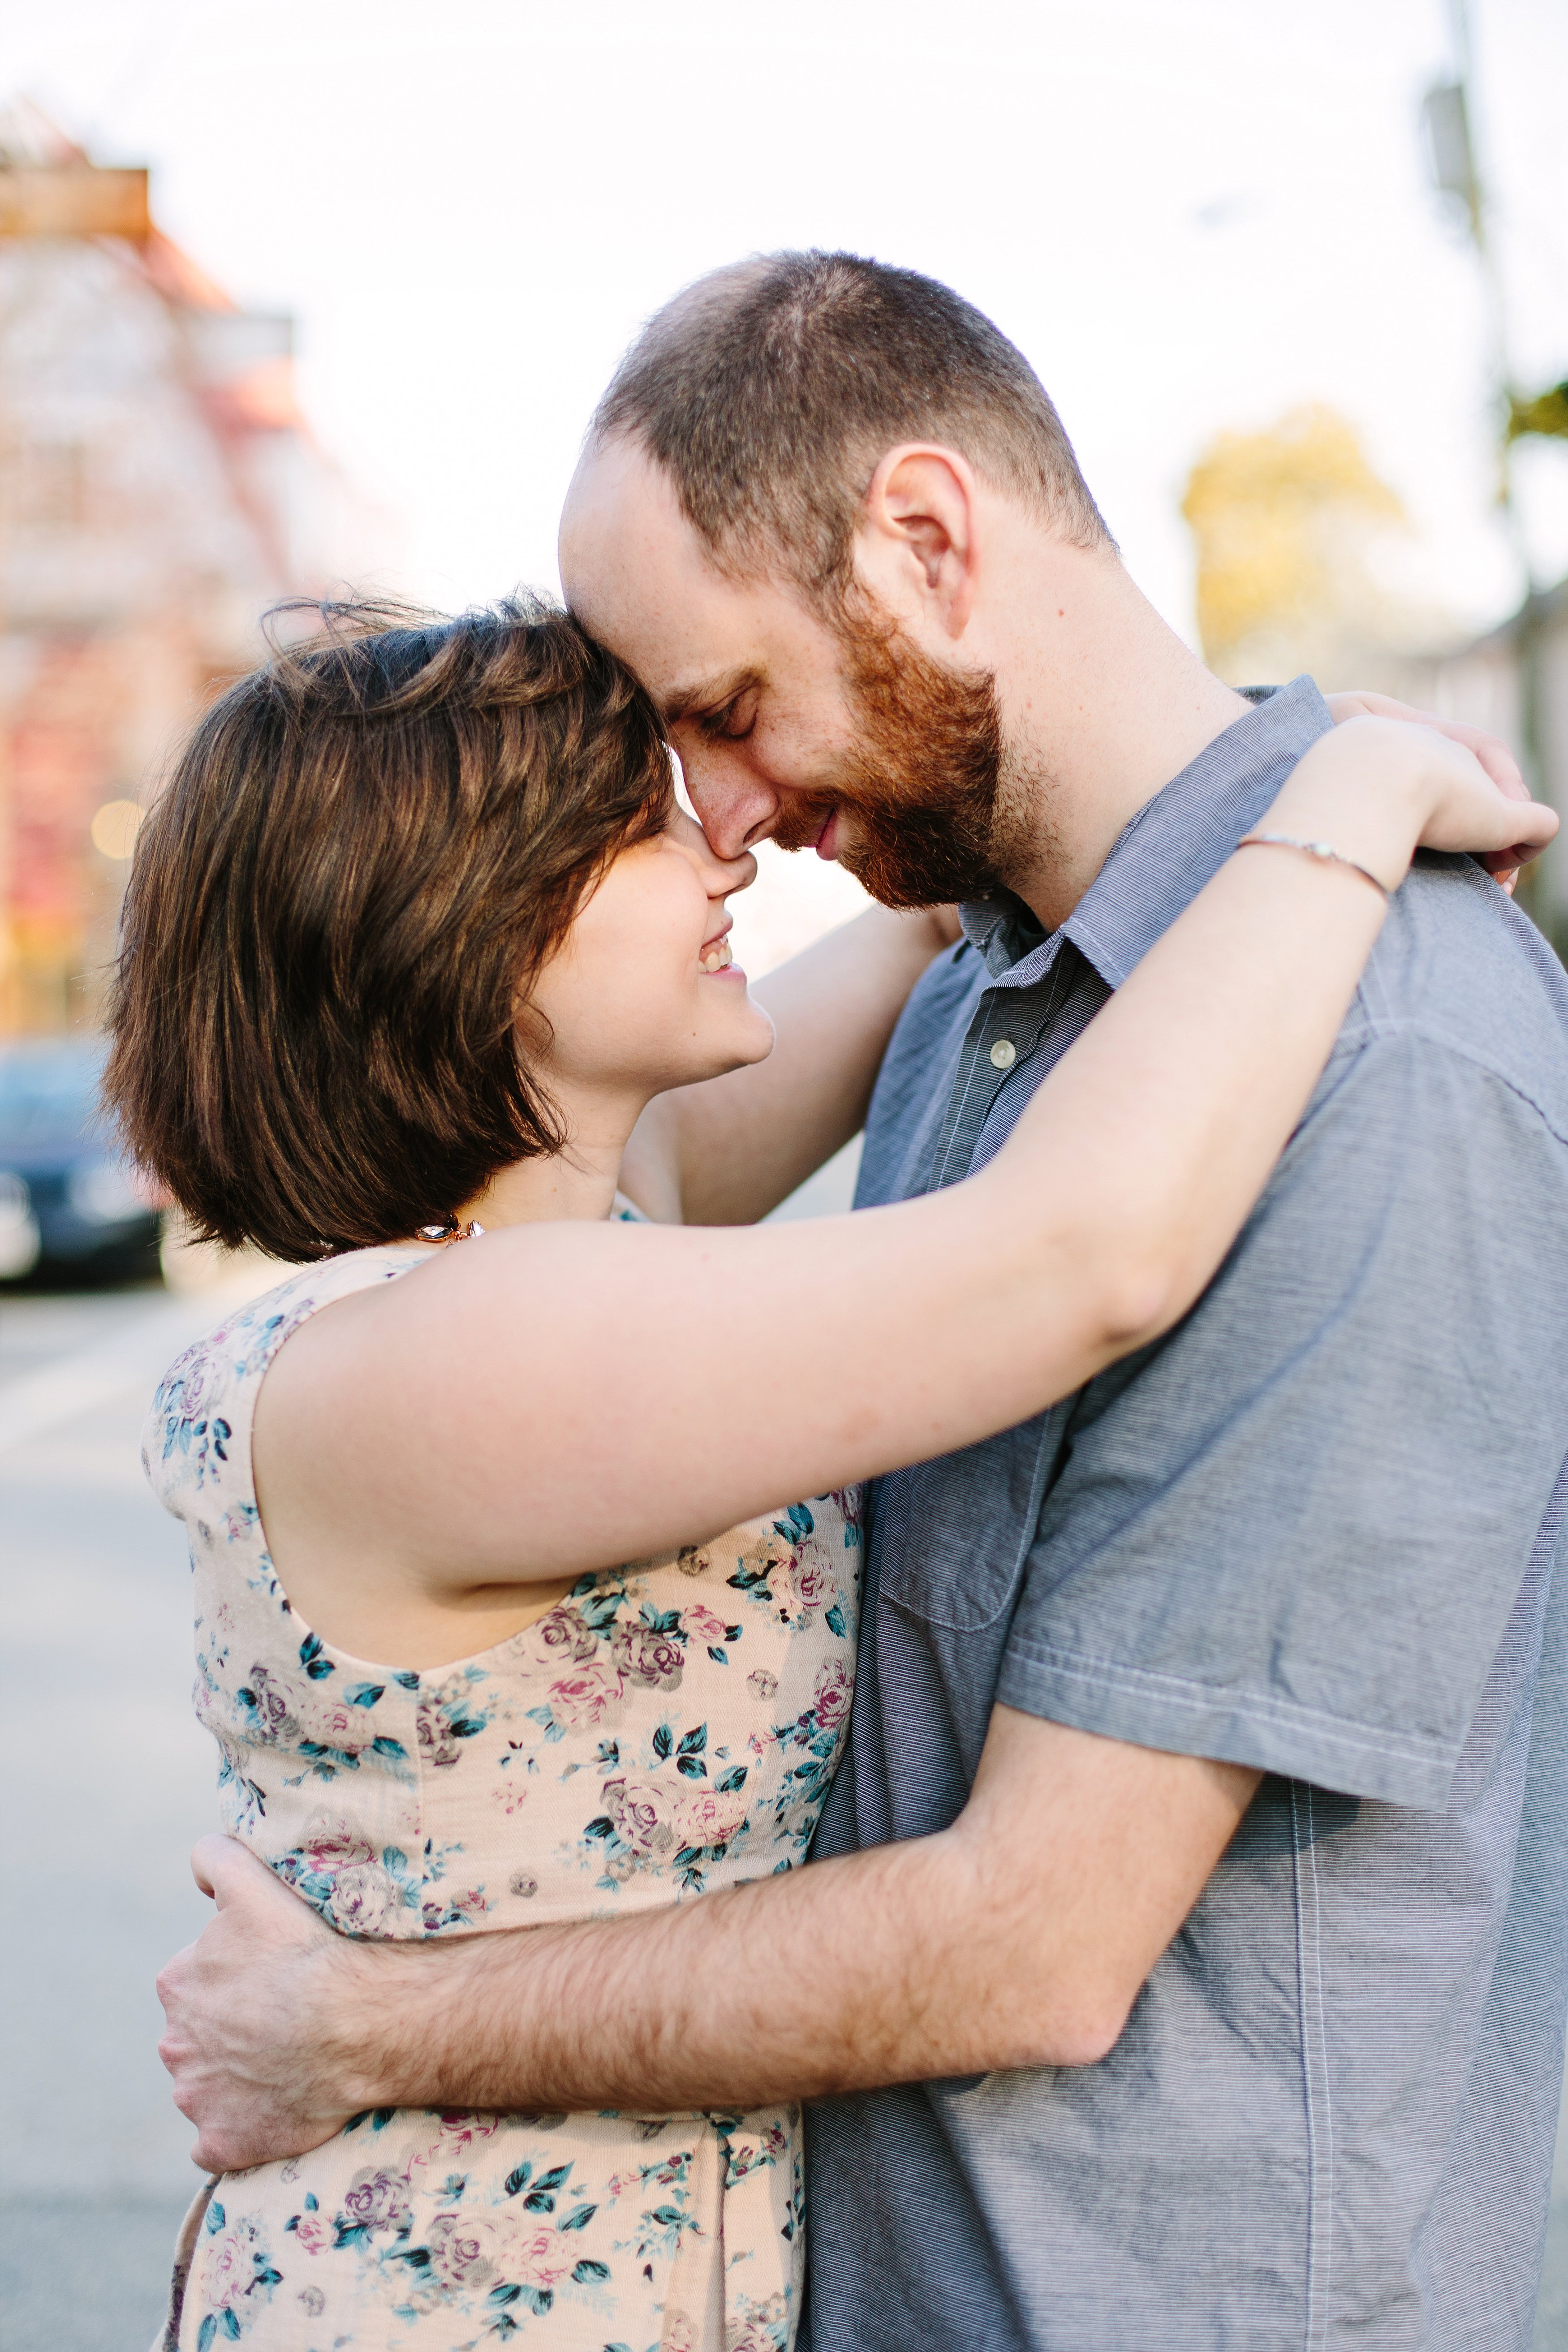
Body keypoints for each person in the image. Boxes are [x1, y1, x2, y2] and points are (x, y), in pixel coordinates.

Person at [147, 258, 1568, 2352]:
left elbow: (1037, 1939)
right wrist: (1332, 785)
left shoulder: (1339, 1048)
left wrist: (1211, 800)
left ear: (925, 537)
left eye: (712, 716)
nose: (722, 821)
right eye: (646, 798)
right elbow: (1065, 1255)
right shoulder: (496, 1323)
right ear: (459, 954)